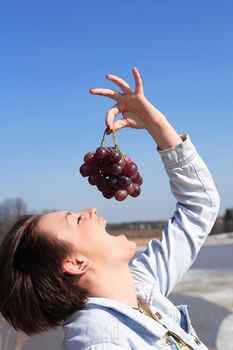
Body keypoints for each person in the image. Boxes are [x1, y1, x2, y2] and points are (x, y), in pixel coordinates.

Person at [0, 68, 220, 349]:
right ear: (75, 262)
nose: (91, 209)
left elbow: (199, 206)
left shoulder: (139, 288)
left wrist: (155, 123)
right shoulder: (99, 343)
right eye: (76, 220)